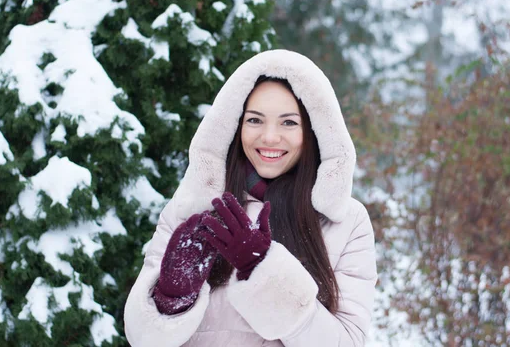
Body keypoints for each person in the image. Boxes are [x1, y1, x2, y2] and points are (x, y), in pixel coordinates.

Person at [124, 49, 378, 346]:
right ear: (235, 126)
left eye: (289, 123)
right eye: (255, 120)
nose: (269, 137)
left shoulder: (347, 222)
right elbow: (143, 339)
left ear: (314, 131)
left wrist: (266, 272)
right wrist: (172, 296)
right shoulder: (191, 208)